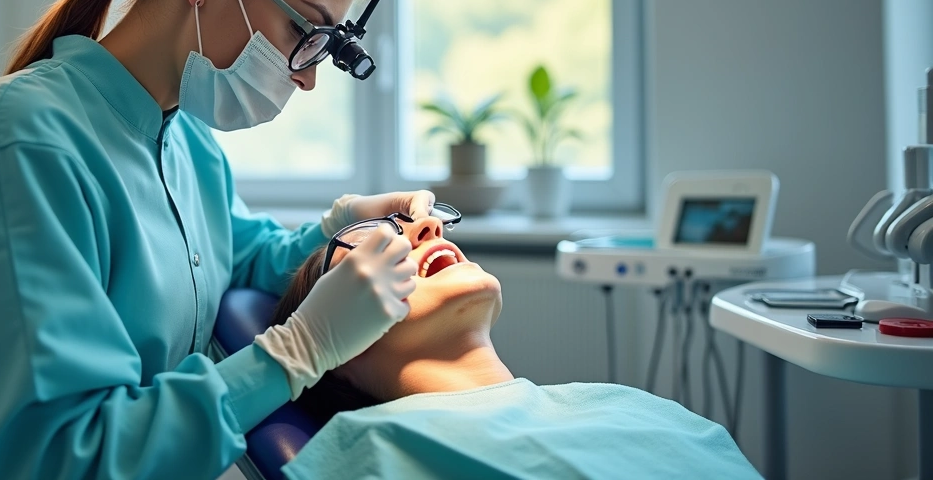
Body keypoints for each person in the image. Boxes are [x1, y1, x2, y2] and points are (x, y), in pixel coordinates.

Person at [0, 0, 432, 479]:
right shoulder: (20, 142)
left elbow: (238, 254)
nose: (309, 80)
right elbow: (54, 458)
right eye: (302, 36)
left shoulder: (188, 142)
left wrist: (337, 228)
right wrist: (295, 353)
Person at [270, 211, 763, 480]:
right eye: (378, 243)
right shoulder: (366, 451)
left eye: (419, 224)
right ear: (336, 341)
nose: (429, 226)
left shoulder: (644, 409)